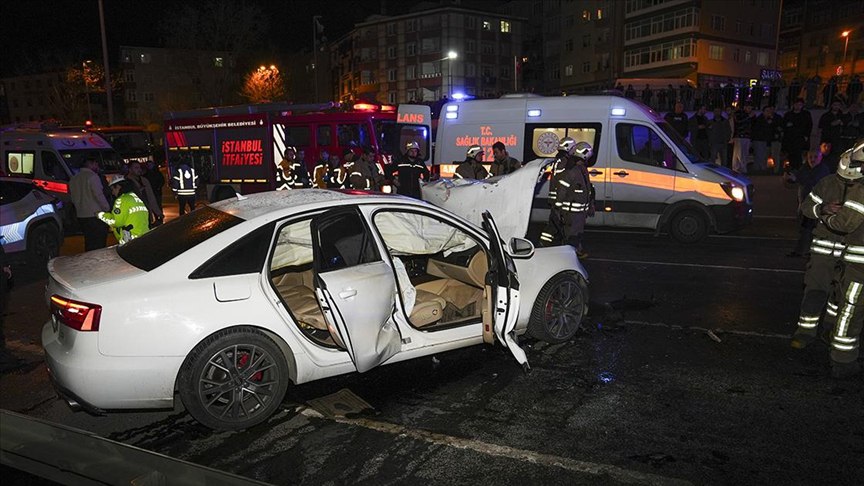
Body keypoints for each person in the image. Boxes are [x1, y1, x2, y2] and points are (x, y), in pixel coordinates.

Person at [791, 144, 861, 350]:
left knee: (839, 298)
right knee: (815, 292)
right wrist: (822, 209)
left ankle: (829, 330)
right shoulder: (827, 183)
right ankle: (805, 332)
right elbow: (806, 208)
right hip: (824, 251)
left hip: (851, 256)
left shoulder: (861, 188)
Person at [819, 139, 864, 378]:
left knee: (851, 310)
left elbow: (845, 223)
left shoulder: (861, 190)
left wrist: (827, 218)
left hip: (859, 267)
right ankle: (843, 358)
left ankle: (842, 361)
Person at [539, 138, 594, 258]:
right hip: (563, 204)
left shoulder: (562, 161)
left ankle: (549, 248)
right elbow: (563, 183)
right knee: (561, 229)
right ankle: (551, 250)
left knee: (559, 229)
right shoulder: (567, 164)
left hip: (561, 203)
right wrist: (559, 204)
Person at [785, 150, 833, 257]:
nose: (812, 159)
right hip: (807, 204)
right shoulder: (806, 168)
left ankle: (808, 252)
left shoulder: (822, 170)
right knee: (805, 229)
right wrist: (791, 177)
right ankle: (803, 251)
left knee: (811, 230)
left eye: (815, 157)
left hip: (817, 206)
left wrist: (796, 178)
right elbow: (799, 178)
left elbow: (813, 182)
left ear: (820, 158)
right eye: (810, 157)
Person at [69, 156, 111, 251]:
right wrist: (107, 208)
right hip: (95, 215)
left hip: (81, 214)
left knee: (89, 241)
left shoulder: (74, 178)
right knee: (99, 242)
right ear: (91, 164)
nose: (97, 166)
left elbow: (72, 197)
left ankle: (90, 261)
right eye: (96, 163)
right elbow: (98, 195)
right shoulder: (93, 177)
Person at [97, 175, 151, 245]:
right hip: (143, 238)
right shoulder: (135, 197)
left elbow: (115, 222)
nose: (113, 193)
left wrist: (100, 215)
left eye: (112, 189)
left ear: (118, 187)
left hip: (130, 241)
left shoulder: (122, 200)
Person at [126, 161, 163, 227]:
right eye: (136, 168)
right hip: (134, 215)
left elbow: (151, 197)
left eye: (139, 167)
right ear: (130, 169)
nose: (139, 170)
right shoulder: (126, 182)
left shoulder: (144, 180)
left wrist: (158, 212)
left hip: (146, 213)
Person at [782, 98, 813, 171]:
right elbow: (784, 126)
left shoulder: (806, 114)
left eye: (800, 105)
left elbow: (809, 126)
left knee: (799, 155)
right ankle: (792, 170)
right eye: (796, 104)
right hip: (790, 139)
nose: (798, 106)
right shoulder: (788, 115)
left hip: (800, 138)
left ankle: (799, 170)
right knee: (791, 155)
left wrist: (806, 136)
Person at [751, 105, 782, 174]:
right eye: (767, 111)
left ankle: (763, 169)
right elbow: (758, 129)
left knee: (764, 155)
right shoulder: (760, 119)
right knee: (759, 155)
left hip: (766, 140)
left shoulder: (772, 119)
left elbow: (777, 127)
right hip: (759, 139)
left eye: (770, 111)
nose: (769, 112)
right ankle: (758, 170)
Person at [731, 102, 755, 173]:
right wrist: (749, 117)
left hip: (747, 136)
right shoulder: (739, 114)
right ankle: (740, 168)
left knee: (743, 153)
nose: (750, 109)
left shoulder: (751, 116)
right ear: (745, 107)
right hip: (740, 136)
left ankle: (738, 168)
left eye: (751, 108)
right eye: (748, 108)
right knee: (740, 153)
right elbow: (738, 122)